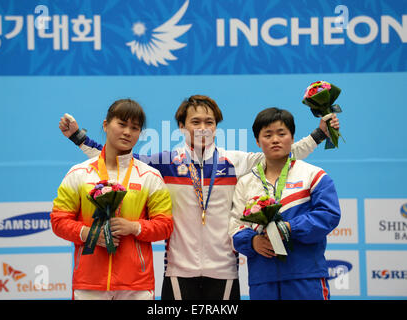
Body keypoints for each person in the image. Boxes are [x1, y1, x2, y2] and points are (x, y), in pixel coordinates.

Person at [58, 95, 340, 300]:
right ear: (182, 126)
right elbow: (118, 157)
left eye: (209, 121)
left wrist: (318, 134)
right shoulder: (165, 163)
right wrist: (79, 138)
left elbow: (281, 153)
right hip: (179, 270)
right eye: (195, 121)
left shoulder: (235, 161)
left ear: (216, 126)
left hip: (224, 271)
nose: (203, 127)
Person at [51, 99, 173, 300]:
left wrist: (134, 227)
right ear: (106, 125)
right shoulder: (79, 173)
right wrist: (89, 234)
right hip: (89, 283)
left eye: (134, 128)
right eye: (122, 124)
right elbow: (58, 221)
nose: (127, 132)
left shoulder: (149, 176)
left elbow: (165, 226)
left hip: (137, 286)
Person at [228, 107, 341, 300]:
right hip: (262, 280)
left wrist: (290, 227)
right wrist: (252, 242)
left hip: (306, 277)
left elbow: (328, 215)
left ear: (292, 137)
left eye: (282, 133)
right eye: (268, 135)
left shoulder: (313, 175)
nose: (275, 140)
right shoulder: (246, 183)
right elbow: (234, 229)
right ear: (257, 141)